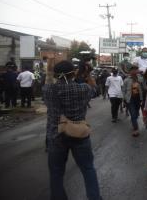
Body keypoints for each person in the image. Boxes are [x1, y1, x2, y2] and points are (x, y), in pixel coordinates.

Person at [43, 60, 101, 200]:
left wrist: (50, 71)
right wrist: (87, 74)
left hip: (56, 135)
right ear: (73, 73)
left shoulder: (48, 90)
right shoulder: (83, 89)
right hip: (79, 134)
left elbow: (49, 80)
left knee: (56, 172)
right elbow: (95, 90)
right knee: (88, 169)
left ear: (56, 74)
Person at [123, 65, 145, 137]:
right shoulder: (126, 80)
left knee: (135, 114)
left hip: (138, 99)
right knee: (133, 114)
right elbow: (123, 91)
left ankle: (134, 122)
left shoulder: (140, 79)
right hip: (130, 99)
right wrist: (124, 99)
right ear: (130, 71)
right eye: (133, 70)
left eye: (136, 69)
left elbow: (144, 87)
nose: (134, 71)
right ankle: (136, 129)